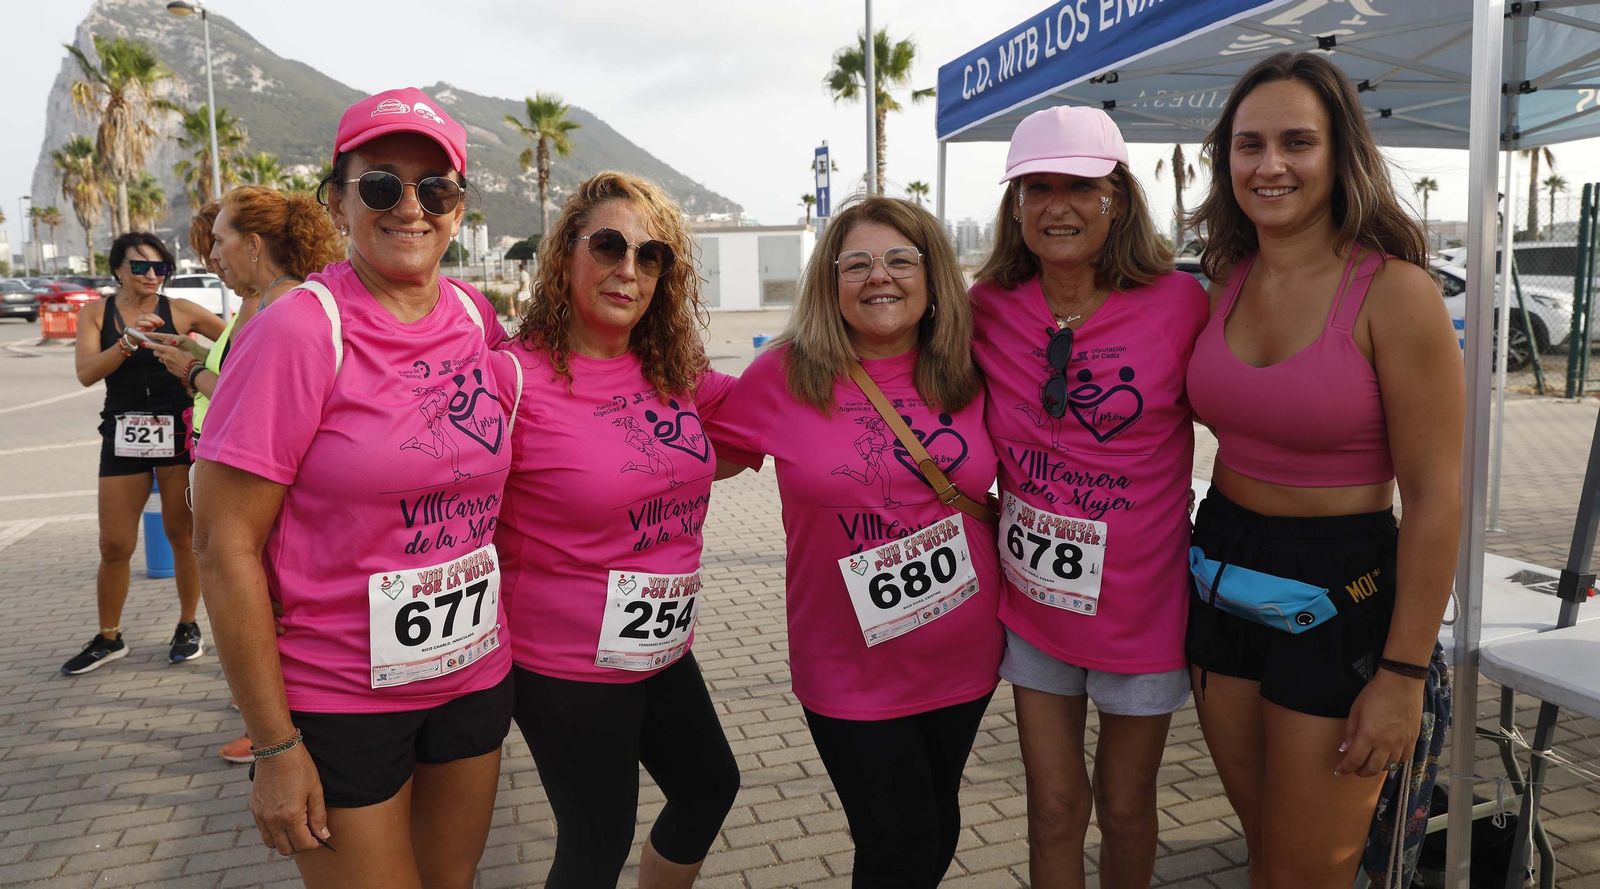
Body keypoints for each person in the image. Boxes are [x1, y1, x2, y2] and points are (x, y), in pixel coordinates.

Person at [191, 87, 521, 887]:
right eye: (380, 184)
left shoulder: (474, 315)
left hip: (472, 675)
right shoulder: (299, 329)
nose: (410, 207)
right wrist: (275, 744)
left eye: (435, 188)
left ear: (458, 208)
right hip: (341, 698)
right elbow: (224, 545)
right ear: (337, 201)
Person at [1182, 52, 1462, 887]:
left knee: (1311, 873)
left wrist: (1403, 674)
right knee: (1268, 854)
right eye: (1249, 144)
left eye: (1297, 142)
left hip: (1341, 591)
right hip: (1221, 568)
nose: (1269, 164)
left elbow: (1437, 497)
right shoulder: (1223, 281)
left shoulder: (1396, 293)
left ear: (1341, 156)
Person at [709, 195, 1004, 887]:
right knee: (896, 843)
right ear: (830, 281)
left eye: (901, 259)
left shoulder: (970, 367)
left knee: (938, 820)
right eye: (857, 264)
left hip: (963, 653)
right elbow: (688, 460)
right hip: (848, 666)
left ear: (933, 275)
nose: (880, 276)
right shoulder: (785, 374)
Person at [969, 106, 1208, 889]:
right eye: (1037, 187)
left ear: (1119, 198)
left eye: (1080, 186)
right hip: (1034, 601)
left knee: (1127, 805)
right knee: (1052, 808)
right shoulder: (987, 305)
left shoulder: (1180, 304)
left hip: (1142, 604)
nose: (1057, 206)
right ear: (1015, 205)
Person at [495, 170, 740, 888]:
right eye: (608, 246)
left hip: (660, 642)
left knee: (709, 786)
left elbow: (780, 411)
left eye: (651, 255)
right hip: (565, 661)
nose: (629, 269)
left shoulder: (674, 370)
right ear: (566, 254)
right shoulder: (512, 378)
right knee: (597, 841)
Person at [146, 188, 346, 766]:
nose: (213, 257)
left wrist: (190, 371)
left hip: (250, 476)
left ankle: (273, 729)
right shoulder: (266, 306)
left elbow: (249, 395)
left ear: (254, 244)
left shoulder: (280, 311)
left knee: (259, 600)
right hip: (231, 465)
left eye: (219, 242)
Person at [62, 231, 226, 676]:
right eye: (140, 266)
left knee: (181, 534)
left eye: (160, 267)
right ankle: (108, 636)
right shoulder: (97, 313)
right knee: (114, 543)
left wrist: (194, 358)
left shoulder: (181, 310)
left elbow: (237, 344)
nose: (152, 275)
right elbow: (85, 373)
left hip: (176, 432)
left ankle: (188, 625)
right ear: (118, 269)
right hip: (123, 434)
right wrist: (126, 343)